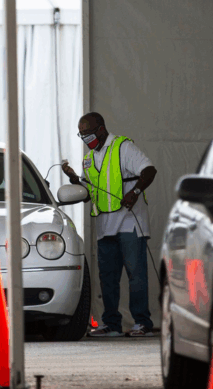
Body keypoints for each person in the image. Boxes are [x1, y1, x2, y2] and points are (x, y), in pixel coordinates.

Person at [62, 112, 157, 337]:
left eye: (88, 133)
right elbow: (91, 195)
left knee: (136, 275)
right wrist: (76, 180)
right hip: (105, 226)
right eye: (81, 134)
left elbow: (149, 171)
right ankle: (111, 324)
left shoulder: (123, 147)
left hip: (129, 222)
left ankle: (142, 323)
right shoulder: (88, 159)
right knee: (108, 277)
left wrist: (134, 192)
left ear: (101, 129)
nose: (85, 138)